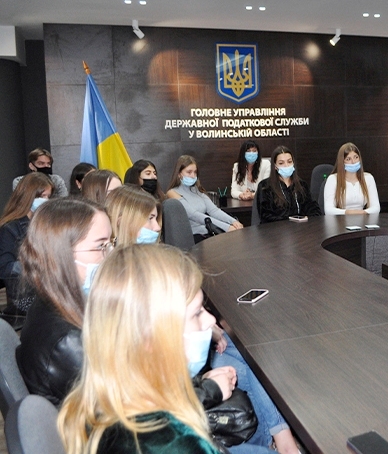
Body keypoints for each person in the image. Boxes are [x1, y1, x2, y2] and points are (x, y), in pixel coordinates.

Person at [57, 245, 272, 454]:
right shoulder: (176, 443)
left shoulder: (104, 395)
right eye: (197, 313)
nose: (211, 320)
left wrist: (200, 386)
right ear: (150, 338)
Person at [17, 197, 114, 406]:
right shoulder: (68, 341)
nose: (110, 255)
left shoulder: (55, 298)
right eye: (101, 246)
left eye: (110, 244)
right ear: (62, 254)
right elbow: (124, 405)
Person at [0, 173, 55, 325]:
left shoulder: (46, 223)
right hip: (26, 294)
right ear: (28, 197)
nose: (46, 201)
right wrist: (36, 263)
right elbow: (4, 268)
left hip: (47, 289)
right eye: (42, 196)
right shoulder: (10, 228)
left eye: (48, 196)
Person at [167, 155, 243, 242]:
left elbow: (214, 211)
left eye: (195, 172)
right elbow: (194, 215)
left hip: (208, 233)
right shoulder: (172, 193)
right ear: (179, 174)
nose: (193, 176)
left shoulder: (197, 190)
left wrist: (234, 222)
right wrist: (227, 227)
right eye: (189, 172)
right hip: (193, 237)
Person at [257, 146, 322, 223]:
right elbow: (266, 216)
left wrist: (307, 218)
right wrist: (289, 220)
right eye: (281, 163)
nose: (286, 165)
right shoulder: (265, 186)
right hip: (276, 228)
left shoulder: (302, 185)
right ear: (275, 166)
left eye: (289, 161)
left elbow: (314, 209)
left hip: (302, 227)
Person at [323, 142, 380, 215]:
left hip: (363, 218)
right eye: (348, 159)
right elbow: (328, 210)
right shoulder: (332, 180)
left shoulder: (368, 178)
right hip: (340, 220)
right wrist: (348, 212)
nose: (353, 162)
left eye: (356, 157)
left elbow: (376, 207)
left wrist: (362, 213)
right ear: (342, 162)